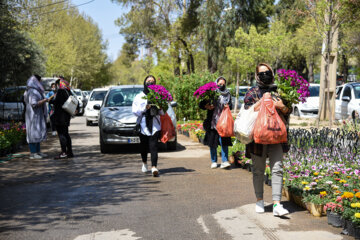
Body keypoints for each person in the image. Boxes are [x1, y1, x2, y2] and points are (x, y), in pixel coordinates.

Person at [243, 63, 290, 217]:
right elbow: (247, 111)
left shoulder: (280, 91)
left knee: (277, 169)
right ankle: (259, 200)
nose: (265, 75)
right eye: (261, 73)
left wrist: (281, 106)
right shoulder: (252, 92)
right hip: (258, 138)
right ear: (257, 75)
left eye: (267, 72)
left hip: (276, 136)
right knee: (258, 170)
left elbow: (288, 111)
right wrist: (262, 101)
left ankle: (277, 204)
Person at [132, 75, 164, 177]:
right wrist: (145, 107)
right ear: (145, 82)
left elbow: (163, 112)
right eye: (148, 81)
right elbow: (135, 111)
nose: (150, 83)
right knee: (144, 147)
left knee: (154, 146)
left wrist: (160, 107)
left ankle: (154, 167)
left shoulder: (158, 96)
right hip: (143, 125)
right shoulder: (138, 96)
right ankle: (144, 162)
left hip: (155, 125)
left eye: (152, 81)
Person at [200, 77, 233, 169]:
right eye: (219, 84)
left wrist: (228, 106)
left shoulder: (228, 94)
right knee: (213, 143)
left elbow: (231, 105)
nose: (221, 85)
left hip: (224, 122)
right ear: (216, 83)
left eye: (223, 84)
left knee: (224, 142)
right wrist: (207, 106)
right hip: (212, 122)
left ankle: (224, 161)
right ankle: (214, 161)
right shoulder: (211, 93)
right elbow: (201, 104)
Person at [24, 75, 49, 159]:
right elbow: (34, 103)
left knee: (37, 133)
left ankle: (38, 151)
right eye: (39, 81)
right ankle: (33, 153)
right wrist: (45, 100)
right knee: (33, 134)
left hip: (37, 115)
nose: (40, 83)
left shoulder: (35, 90)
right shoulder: (32, 91)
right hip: (33, 115)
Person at [49, 77, 75, 159]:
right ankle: (69, 152)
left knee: (62, 135)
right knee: (66, 134)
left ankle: (64, 152)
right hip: (66, 116)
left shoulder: (60, 91)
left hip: (60, 117)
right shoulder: (68, 91)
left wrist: (50, 101)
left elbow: (57, 102)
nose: (55, 87)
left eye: (56, 85)